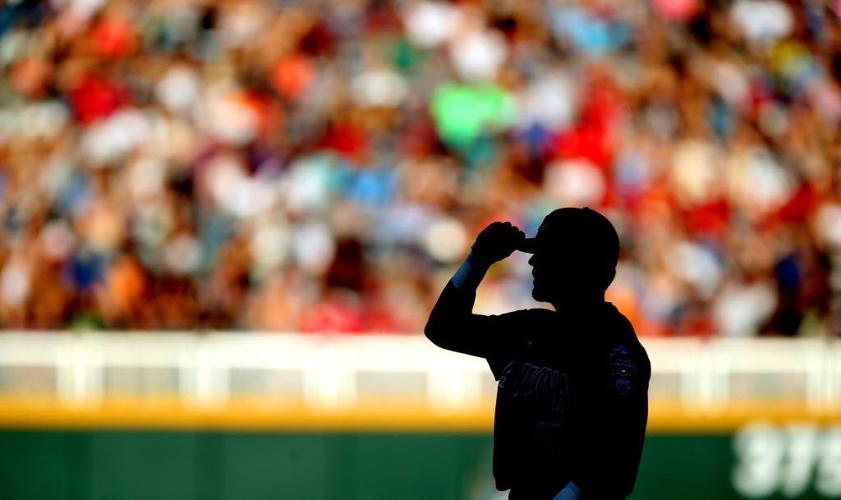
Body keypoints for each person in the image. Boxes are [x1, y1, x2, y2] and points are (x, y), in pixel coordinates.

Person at [425, 207, 650, 499]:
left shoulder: (616, 349)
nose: (532, 261)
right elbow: (443, 328)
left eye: (546, 253)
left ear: (576, 264)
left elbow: (612, 472)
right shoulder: (532, 328)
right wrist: (477, 260)